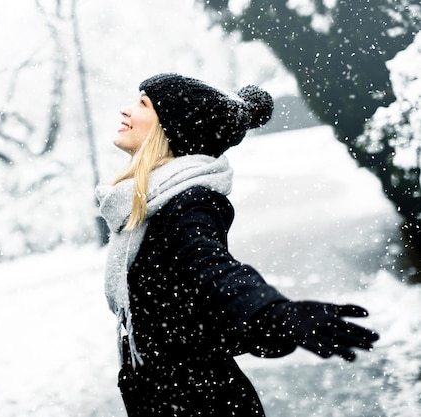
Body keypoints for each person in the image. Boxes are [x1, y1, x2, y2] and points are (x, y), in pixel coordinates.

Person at [95, 73, 380, 416]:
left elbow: (213, 271)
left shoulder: (188, 204)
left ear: (171, 130)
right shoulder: (151, 207)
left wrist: (273, 312)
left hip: (203, 405)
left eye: (143, 104)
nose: (126, 110)